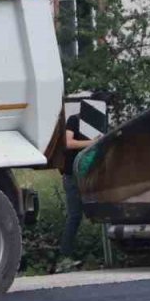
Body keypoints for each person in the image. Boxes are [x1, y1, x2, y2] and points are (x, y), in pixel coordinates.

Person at [57, 109, 94, 270]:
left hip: (89, 175)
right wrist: (91, 143)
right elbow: (68, 142)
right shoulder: (75, 120)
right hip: (73, 175)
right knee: (75, 216)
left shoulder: (97, 126)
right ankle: (64, 257)